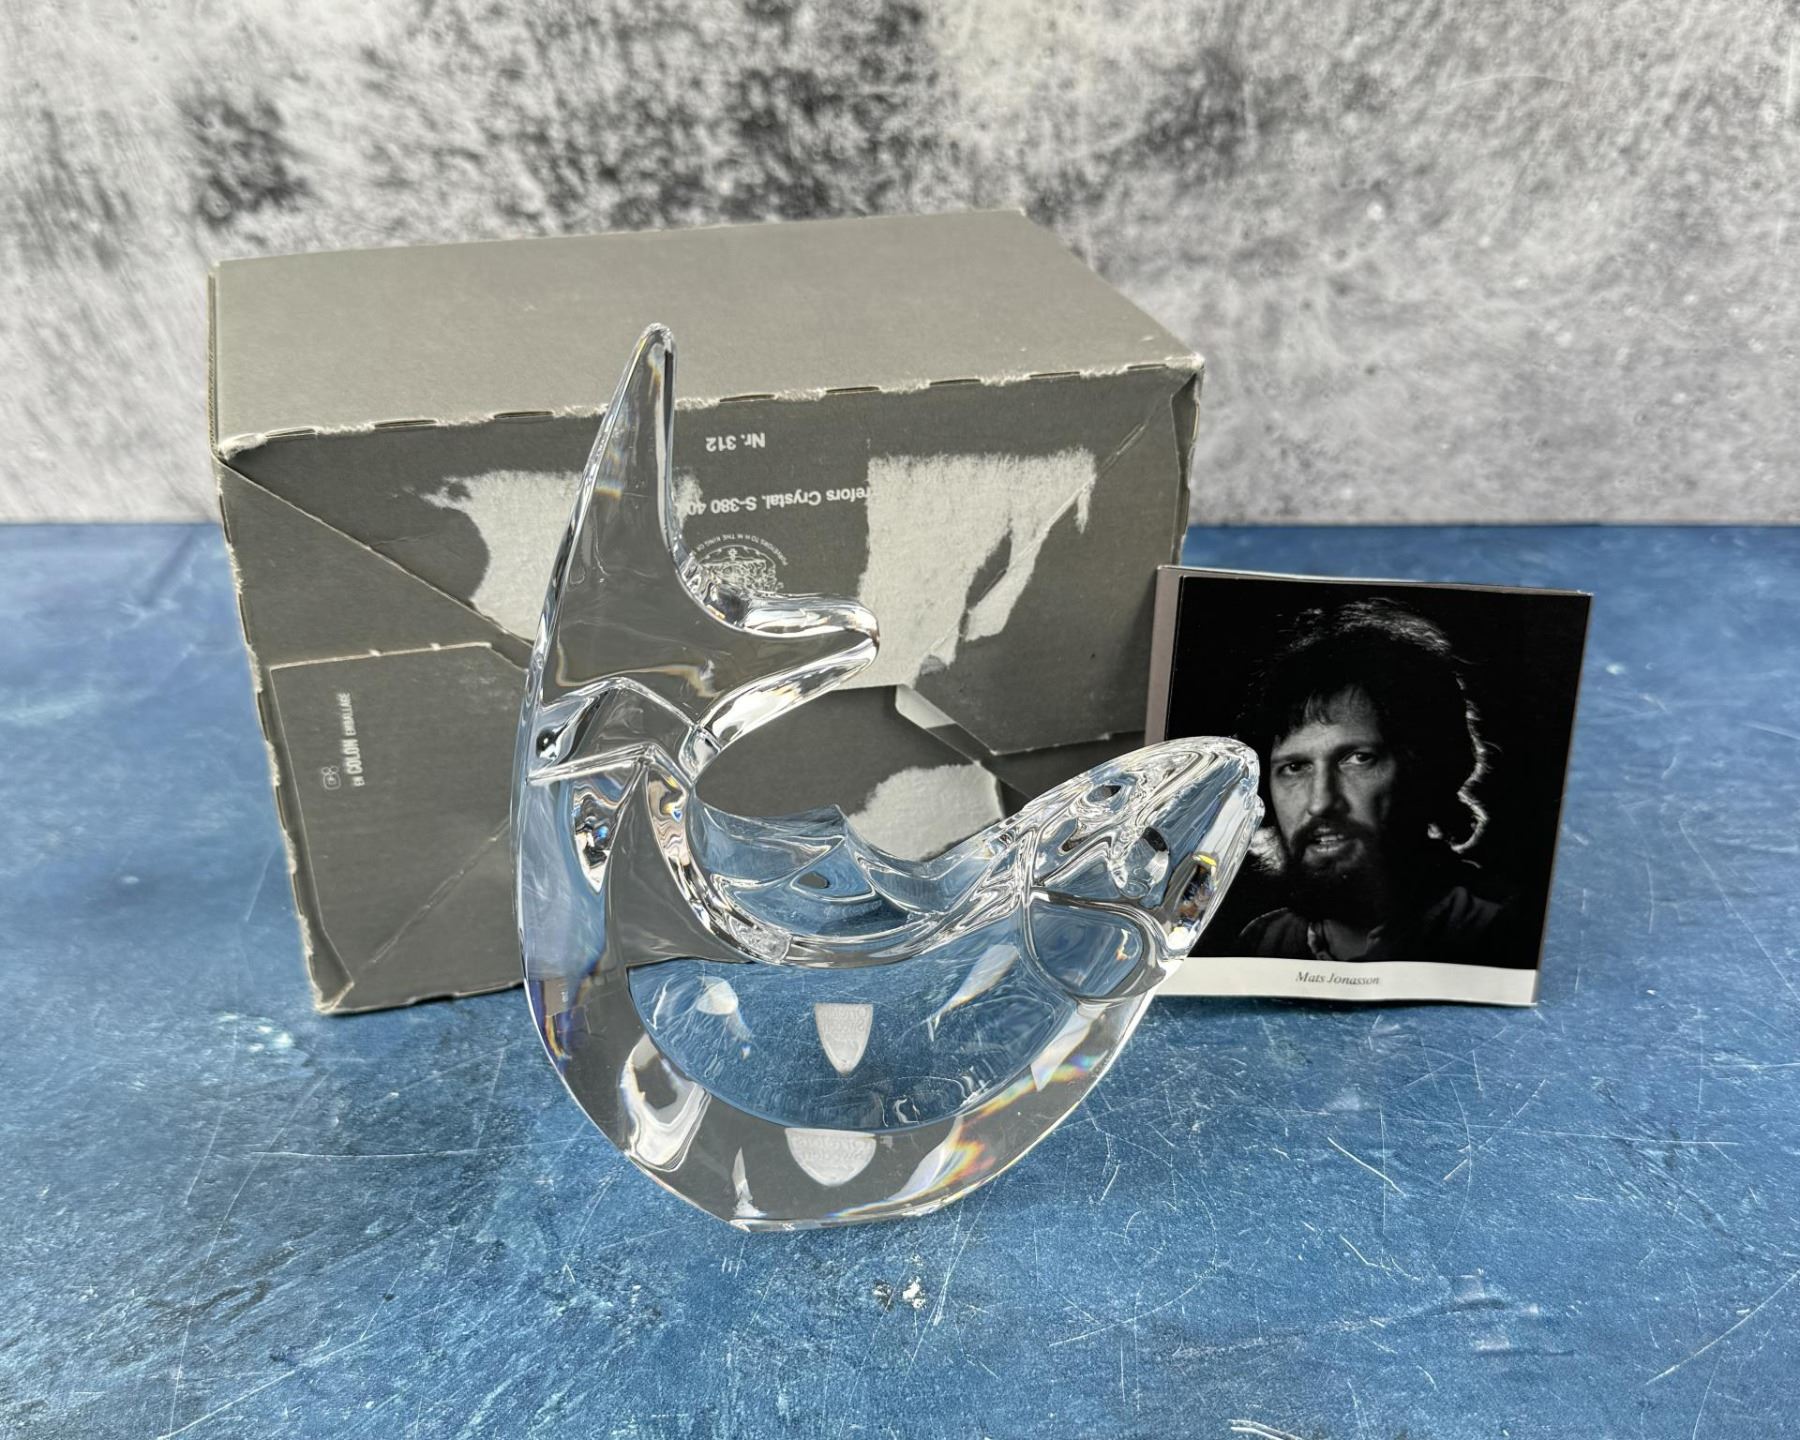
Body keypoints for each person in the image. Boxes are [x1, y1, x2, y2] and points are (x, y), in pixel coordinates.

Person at [1234, 599, 1520, 965]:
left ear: (1425, 768)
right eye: (1295, 767)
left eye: (1358, 758)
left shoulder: (1503, 927)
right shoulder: (1262, 943)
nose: (1321, 803)